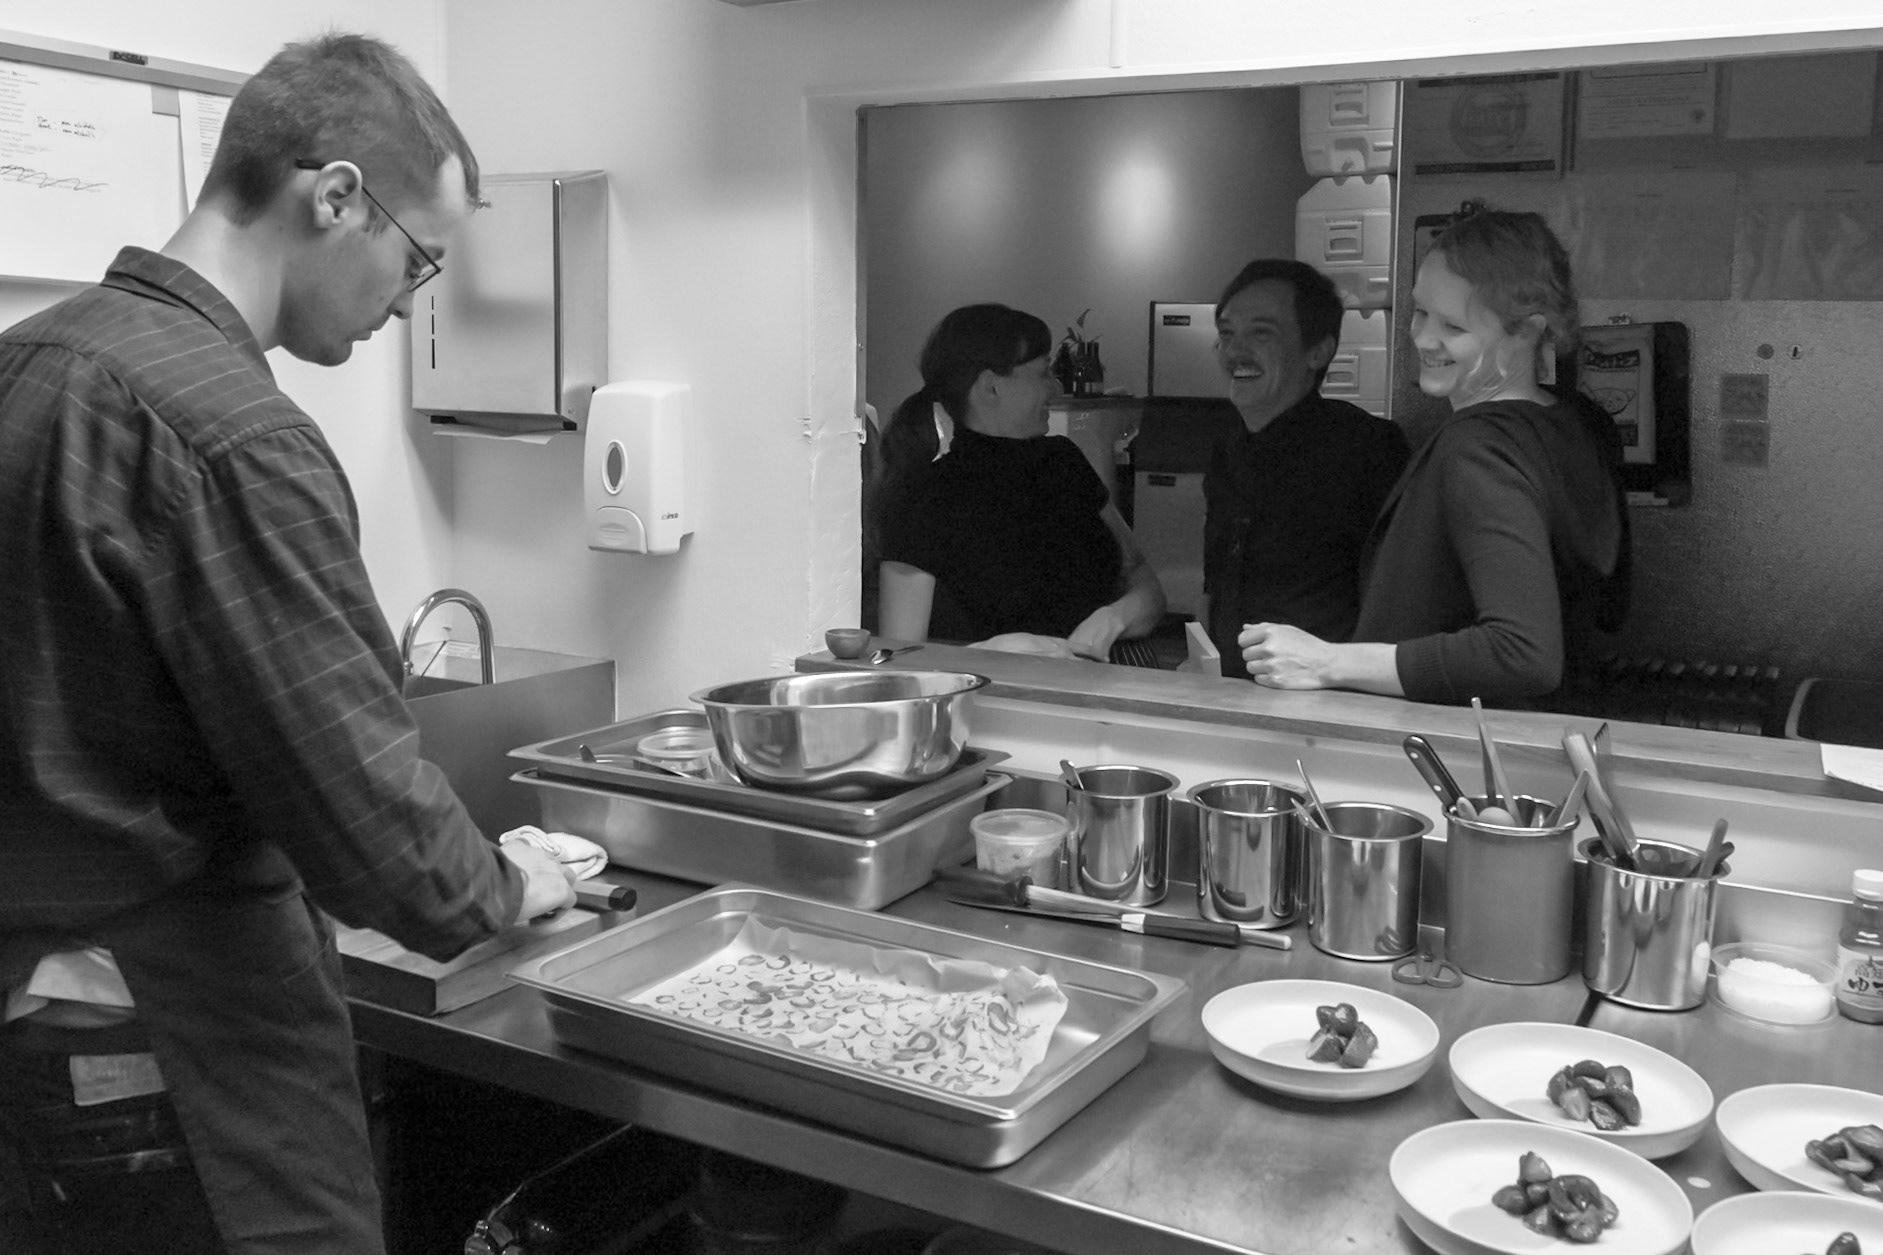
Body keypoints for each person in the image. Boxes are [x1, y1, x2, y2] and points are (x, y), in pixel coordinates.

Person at [0, 33, 576, 1254]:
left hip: (37, 1041)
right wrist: (512, 879)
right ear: (334, 198)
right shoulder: (234, 437)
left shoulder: (26, 367)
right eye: (417, 259)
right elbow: (375, 837)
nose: (413, 302)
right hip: (183, 1061)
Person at [1238, 205, 1629, 706]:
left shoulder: (1477, 449)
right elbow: (1612, 607)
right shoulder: (1580, 422)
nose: (1424, 338)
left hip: (1457, 755)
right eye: (1420, 312)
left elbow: (1523, 652)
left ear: (1528, 331)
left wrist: (1326, 661)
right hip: (1543, 741)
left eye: (1453, 326)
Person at [874, 303, 1166, 661]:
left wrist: (1113, 618)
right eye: (1043, 372)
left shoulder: (1064, 462)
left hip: (1107, 691)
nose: (1056, 387)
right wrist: (995, 652)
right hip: (1000, 704)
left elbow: (1146, 585)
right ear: (990, 386)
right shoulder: (924, 495)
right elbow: (897, 658)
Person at [1200, 259, 1409, 679]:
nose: (1235, 351)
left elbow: (1399, 602)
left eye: (1262, 333)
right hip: (1231, 694)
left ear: (1319, 350)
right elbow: (1218, 583)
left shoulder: (1367, 448)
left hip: (1327, 701)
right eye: (1226, 333)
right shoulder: (1227, 447)